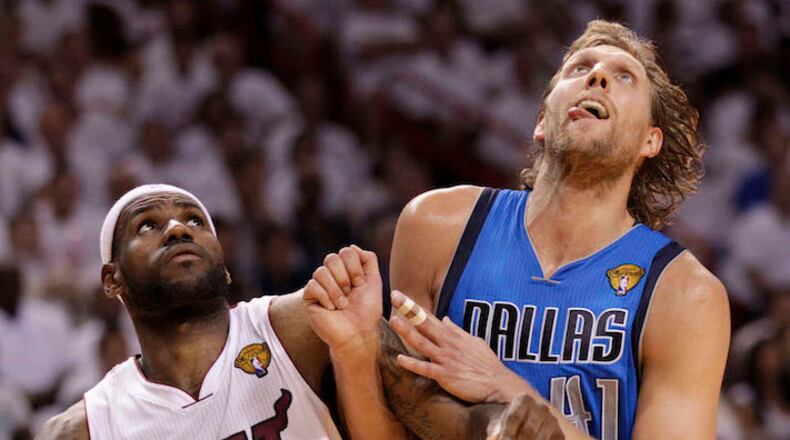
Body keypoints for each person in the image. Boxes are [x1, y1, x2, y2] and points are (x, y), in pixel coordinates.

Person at [381, 20, 729, 439]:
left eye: (624, 77)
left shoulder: (685, 293)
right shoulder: (437, 226)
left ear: (649, 142)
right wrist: (349, 351)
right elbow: (394, 420)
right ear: (542, 120)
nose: (597, 77)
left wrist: (507, 388)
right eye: (579, 68)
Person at [36, 183, 561, 439]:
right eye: (147, 226)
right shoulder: (85, 429)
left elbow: (438, 414)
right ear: (112, 279)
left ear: (225, 272)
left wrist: (501, 427)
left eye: (195, 221)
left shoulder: (299, 327)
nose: (177, 229)